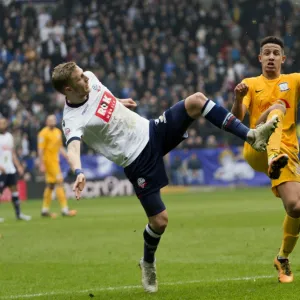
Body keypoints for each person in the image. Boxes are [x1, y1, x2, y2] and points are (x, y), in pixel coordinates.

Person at [51, 61, 278, 293]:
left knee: (196, 100)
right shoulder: (72, 120)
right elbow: (72, 148)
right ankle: (148, 262)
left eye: (83, 74)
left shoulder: (91, 78)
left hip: (151, 131)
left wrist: (119, 102)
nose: (86, 78)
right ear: (68, 89)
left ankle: (251, 135)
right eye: (79, 78)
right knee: (160, 221)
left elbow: (100, 100)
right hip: (137, 161)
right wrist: (78, 171)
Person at [231, 36, 300, 283]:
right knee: (278, 107)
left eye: (276, 53)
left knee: (296, 207)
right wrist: (238, 98)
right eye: (267, 53)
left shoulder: (293, 80)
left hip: (287, 154)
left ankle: (282, 258)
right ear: (260, 58)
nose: (271, 57)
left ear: (283, 58)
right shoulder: (250, 83)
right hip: (256, 146)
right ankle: (273, 158)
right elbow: (237, 119)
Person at [38, 115, 77, 218]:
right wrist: (41, 163)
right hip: (48, 162)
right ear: (46, 121)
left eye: (54, 120)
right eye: (50, 120)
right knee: (60, 183)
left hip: (55, 162)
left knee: (50, 185)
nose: (52, 121)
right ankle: (65, 210)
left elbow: (60, 147)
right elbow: (41, 150)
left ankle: (44, 210)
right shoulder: (43, 133)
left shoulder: (58, 132)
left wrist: (67, 157)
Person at [0, 117, 31, 221]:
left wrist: (18, 166)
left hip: (10, 168)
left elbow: (12, 153)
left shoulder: (9, 136)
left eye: (4, 123)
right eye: (0, 123)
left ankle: (19, 214)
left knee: (14, 190)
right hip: (1, 170)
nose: (2, 125)